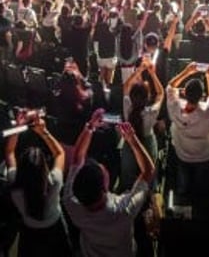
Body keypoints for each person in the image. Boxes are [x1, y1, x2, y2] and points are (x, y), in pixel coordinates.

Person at [65, 109, 155, 257]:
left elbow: (76, 159)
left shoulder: (71, 204)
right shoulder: (124, 209)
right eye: (102, 170)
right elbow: (149, 171)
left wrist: (90, 127)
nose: (103, 167)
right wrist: (132, 139)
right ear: (104, 187)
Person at [1, 111, 72, 257]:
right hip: (54, 227)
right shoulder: (54, 182)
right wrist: (43, 131)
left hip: (30, 230)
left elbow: (9, 152)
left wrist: (18, 127)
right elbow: (60, 154)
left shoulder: (14, 183)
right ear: (45, 169)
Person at [166, 62, 209, 204]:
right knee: (201, 181)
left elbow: (170, 87)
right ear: (202, 96)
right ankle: (199, 201)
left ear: (183, 92)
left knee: (183, 177)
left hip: (182, 153)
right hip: (204, 155)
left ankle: (183, 196)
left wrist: (186, 71)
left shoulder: (174, 107)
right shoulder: (208, 113)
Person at [121, 56, 163, 191]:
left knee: (128, 175)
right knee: (148, 172)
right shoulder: (151, 112)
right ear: (147, 98)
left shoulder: (127, 106)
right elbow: (161, 93)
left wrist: (139, 70)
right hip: (148, 143)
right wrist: (152, 73)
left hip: (129, 144)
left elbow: (126, 85)